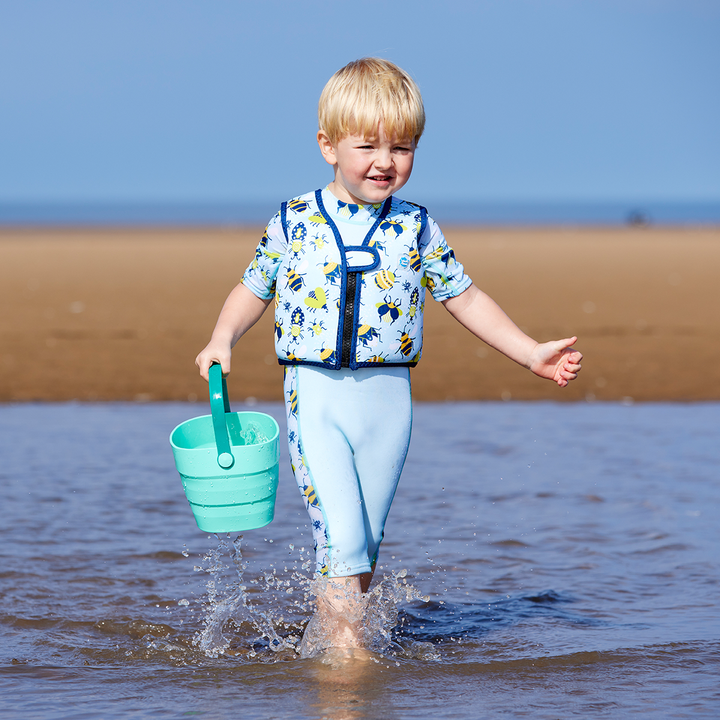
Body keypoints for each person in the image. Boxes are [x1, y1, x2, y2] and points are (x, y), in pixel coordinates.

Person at [195, 57, 582, 651]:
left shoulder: (416, 226)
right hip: (316, 392)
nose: (385, 161)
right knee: (342, 538)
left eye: (402, 147)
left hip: (389, 401)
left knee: (365, 543)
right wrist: (223, 338)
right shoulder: (294, 220)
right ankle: (348, 669)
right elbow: (253, 287)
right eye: (368, 145)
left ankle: (323, 644)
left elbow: (466, 296)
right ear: (327, 145)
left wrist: (531, 353)